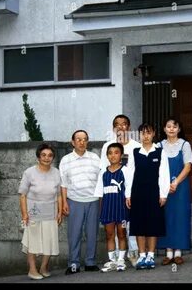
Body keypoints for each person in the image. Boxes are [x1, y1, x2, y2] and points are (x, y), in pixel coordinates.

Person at [126, 123, 170, 269]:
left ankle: (150, 255)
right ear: (139, 135)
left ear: (153, 134)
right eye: (143, 133)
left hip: (154, 193)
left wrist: (163, 194)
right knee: (139, 224)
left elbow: (164, 174)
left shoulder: (160, 152)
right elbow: (130, 174)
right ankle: (142, 255)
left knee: (152, 224)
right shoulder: (134, 152)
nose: (145, 136)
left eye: (148, 133)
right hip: (137, 193)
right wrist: (128, 195)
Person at [100, 114, 141, 267]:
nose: (120, 127)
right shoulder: (108, 146)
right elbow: (103, 170)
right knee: (115, 228)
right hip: (113, 195)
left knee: (129, 226)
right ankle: (116, 258)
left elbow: (139, 170)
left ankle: (133, 254)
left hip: (131, 192)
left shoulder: (136, 146)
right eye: (117, 124)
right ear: (113, 128)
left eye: (124, 124)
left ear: (128, 127)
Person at [18, 143, 63, 280]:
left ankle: (43, 267)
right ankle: (32, 270)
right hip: (34, 214)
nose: (46, 158)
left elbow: (59, 195)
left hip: (51, 213)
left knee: (49, 242)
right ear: (38, 156)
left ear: (53, 158)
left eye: (50, 155)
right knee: (33, 242)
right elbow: (22, 195)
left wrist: (60, 212)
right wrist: (25, 214)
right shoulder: (29, 172)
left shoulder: (56, 172)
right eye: (43, 155)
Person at [60, 130, 101, 275]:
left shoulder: (95, 158)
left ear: (87, 141)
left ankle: (90, 262)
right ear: (73, 142)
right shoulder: (66, 160)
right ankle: (73, 264)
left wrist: (100, 200)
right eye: (78, 139)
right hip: (74, 201)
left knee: (92, 233)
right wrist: (64, 202)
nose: (82, 142)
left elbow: (100, 181)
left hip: (93, 200)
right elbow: (63, 184)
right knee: (74, 234)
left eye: (84, 139)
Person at [156, 118, 192, 265]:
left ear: (179, 129)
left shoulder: (185, 144)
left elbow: (188, 166)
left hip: (180, 187)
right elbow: (157, 166)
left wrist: (176, 182)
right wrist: (164, 185)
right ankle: (168, 252)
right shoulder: (159, 146)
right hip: (163, 187)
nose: (171, 129)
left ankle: (178, 253)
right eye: (168, 126)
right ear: (164, 129)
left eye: (174, 126)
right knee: (166, 217)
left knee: (180, 216)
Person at [94, 143, 132, 272]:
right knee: (109, 234)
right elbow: (100, 192)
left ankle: (121, 260)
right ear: (107, 156)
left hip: (121, 208)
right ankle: (112, 260)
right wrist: (102, 210)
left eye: (116, 152)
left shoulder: (125, 170)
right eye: (110, 153)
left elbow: (129, 190)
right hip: (108, 208)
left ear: (121, 155)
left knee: (121, 234)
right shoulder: (103, 172)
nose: (113, 155)